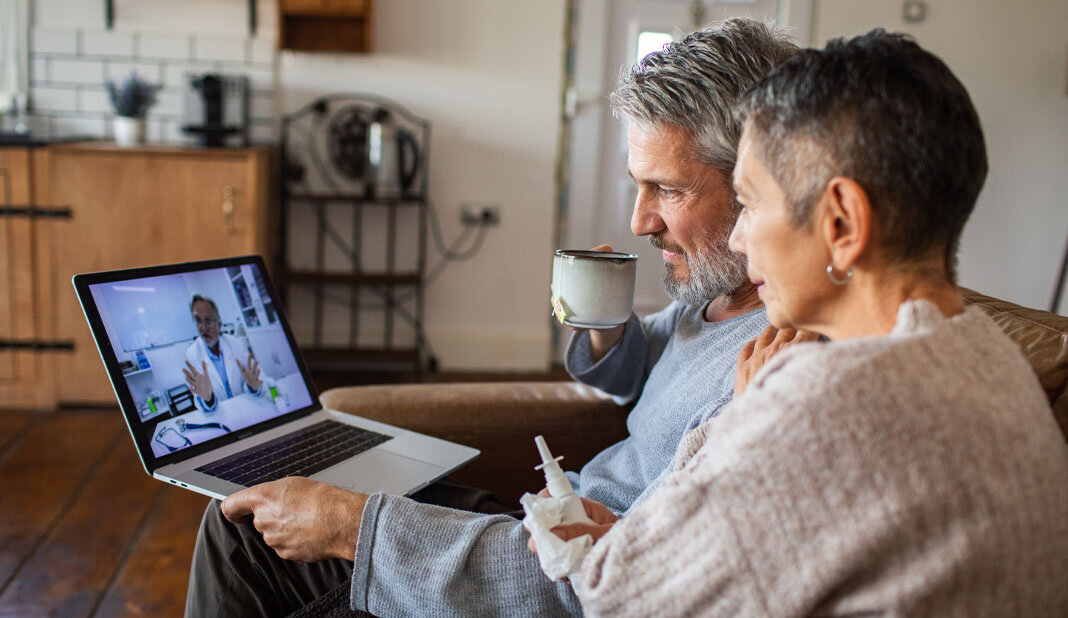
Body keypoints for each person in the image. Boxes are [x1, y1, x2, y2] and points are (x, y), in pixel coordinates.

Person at [184, 19, 798, 617]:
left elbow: (584, 587)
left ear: (756, 180)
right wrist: (608, 326)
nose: (639, 222)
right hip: (546, 518)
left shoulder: (773, 360)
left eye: (667, 189)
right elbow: (648, 367)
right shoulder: (715, 296)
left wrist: (350, 526)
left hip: (550, 570)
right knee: (268, 499)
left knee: (241, 526)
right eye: (637, 185)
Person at [546, 31, 1068, 617]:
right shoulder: (987, 356)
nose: (740, 237)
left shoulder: (828, 402)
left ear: (842, 223)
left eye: (754, 202)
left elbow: (620, 596)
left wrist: (743, 419)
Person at [184, 294, 267, 411]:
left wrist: (253, 387)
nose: (203, 328)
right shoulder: (192, 354)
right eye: (198, 321)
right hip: (220, 416)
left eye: (208, 321)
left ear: (219, 324)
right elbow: (200, 398)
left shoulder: (237, 344)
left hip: (247, 409)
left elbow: (258, 380)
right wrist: (208, 399)